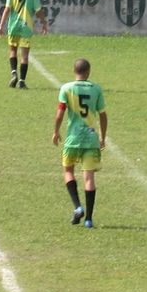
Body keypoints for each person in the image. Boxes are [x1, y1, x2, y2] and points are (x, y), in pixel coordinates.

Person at [52, 57, 107, 228]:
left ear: (74, 71)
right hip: (91, 139)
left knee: (68, 171)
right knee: (89, 177)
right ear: (88, 72)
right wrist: (103, 137)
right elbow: (103, 115)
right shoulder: (96, 89)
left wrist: (56, 131)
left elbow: (60, 113)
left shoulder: (66, 88)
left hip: (73, 139)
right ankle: (89, 219)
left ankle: (77, 206)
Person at [0, 0, 48, 89]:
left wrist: (1, 25)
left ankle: (14, 73)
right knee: (24, 56)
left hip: (13, 26)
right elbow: (38, 10)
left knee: (13, 51)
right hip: (26, 27)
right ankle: (21, 81)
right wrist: (44, 23)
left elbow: (7, 9)